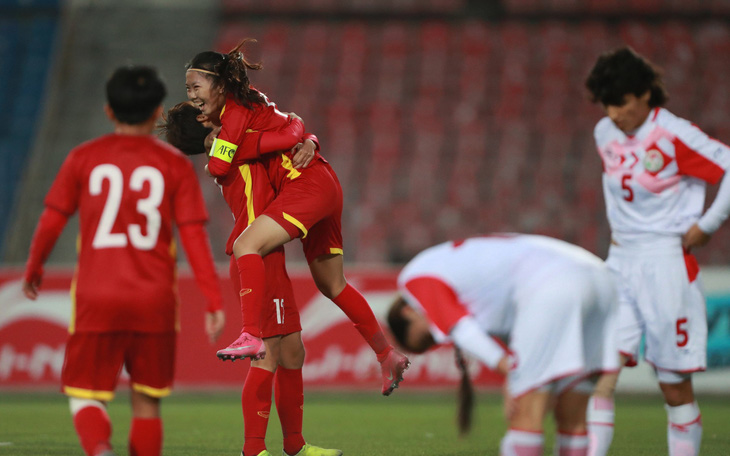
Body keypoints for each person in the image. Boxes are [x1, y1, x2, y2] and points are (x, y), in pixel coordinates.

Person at [184, 39, 409, 396]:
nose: (193, 95)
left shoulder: (235, 114)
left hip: (306, 185)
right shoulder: (249, 109)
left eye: (195, 87)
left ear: (220, 85)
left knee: (246, 245)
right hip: (322, 180)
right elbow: (290, 127)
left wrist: (298, 135)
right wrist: (305, 136)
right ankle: (386, 354)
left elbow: (221, 163)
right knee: (332, 285)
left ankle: (249, 334)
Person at [22, 66, 225, 456]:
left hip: (97, 299)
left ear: (109, 111)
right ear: (156, 113)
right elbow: (194, 237)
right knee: (147, 404)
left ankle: (100, 450)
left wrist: (35, 267)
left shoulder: (84, 158)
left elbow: (52, 219)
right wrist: (213, 299)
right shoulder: (175, 165)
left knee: (85, 395)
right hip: (155, 303)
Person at [161, 102, 341, 456]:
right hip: (256, 257)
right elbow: (287, 131)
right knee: (268, 354)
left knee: (292, 352)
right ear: (205, 125)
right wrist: (309, 137)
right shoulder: (232, 151)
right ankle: (253, 450)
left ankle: (295, 445)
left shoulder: (226, 150)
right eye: (205, 109)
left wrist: (310, 140)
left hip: (267, 255)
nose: (212, 108)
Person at [584, 46, 730, 456]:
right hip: (619, 263)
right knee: (601, 372)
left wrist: (707, 224)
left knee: (674, 385)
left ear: (645, 93)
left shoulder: (675, 134)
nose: (614, 113)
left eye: (622, 103)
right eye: (607, 104)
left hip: (666, 264)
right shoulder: (604, 133)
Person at [386, 235, 619, 456]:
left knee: (526, 415)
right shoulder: (456, 269)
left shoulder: (412, 278)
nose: (437, 337)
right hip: (601, 279)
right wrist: (517, 369)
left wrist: (512, 370)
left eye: (427, 338)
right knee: (573, 415)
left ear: (408, 311)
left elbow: (463, 330)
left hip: (553, 284)